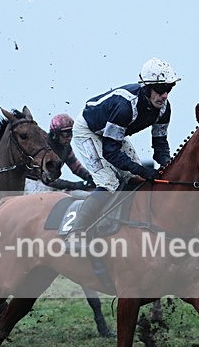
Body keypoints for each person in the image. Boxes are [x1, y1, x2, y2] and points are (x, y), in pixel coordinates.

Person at [69, 58, 179, 234]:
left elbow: (160, 145)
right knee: (109, 182)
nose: (164, 95)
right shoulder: (126, 107)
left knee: (135, 180)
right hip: (88, 132)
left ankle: (125, 226)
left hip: (112, 134)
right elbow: (110, 151)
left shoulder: (164, 108)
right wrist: (142, 170)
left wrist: (168, 166)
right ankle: (76, 232)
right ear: (147, 88)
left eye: (169, 89)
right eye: (159, 90)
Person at [25, 113, 95, 194]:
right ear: (55, 134)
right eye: (66, 134)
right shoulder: (45, 147)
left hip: (47, 183)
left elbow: (76, 168)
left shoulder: (66, 147)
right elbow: (47, 179)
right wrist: (76, 185)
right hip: (32, 182)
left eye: (71, 133)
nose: (69, 138)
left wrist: (90, 177)